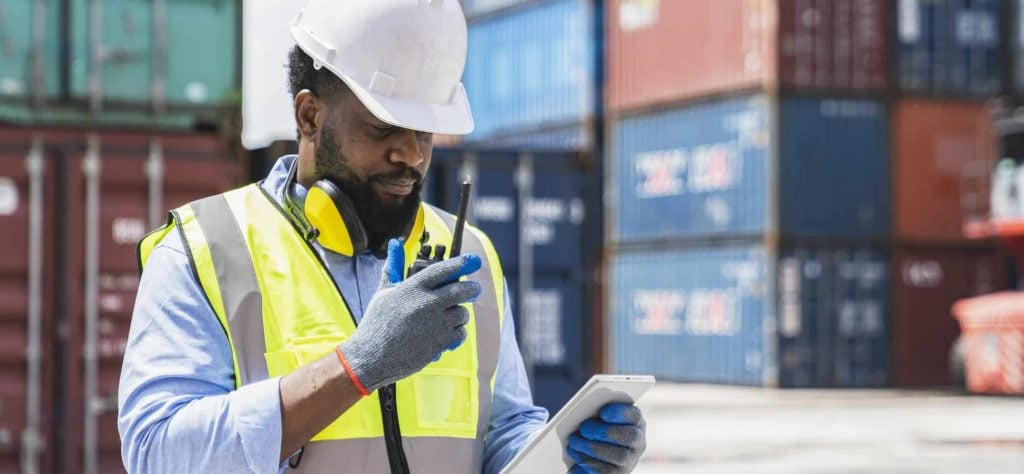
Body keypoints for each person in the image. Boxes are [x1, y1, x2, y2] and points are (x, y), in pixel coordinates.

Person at [117, 0, 646, 472]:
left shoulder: (469, 253)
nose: (412, 155)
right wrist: (355, 367)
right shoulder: (205, 249)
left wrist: (566, 454)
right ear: (309, 115)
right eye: (384, 127)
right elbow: (158, 452)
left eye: (424, 131)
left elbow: (502, 431)